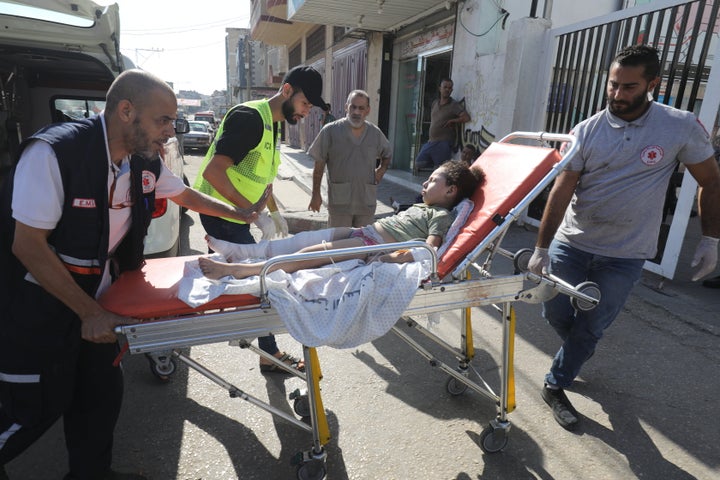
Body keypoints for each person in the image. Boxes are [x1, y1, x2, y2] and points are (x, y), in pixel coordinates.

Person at [0, 69, 268, 480]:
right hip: (43, 300)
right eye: (163, 121)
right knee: (34, 408)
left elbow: (184, 194)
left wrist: (240, 212)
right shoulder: (54, 154)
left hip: (103, 296)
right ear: (126, 111)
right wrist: (89, 312)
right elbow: (28, 246)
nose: (171, 132)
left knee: (99, 397)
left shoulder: (143, 162)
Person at [528, 45, 720, 430]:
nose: (617, 95)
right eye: (613, 85)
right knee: (556, 312)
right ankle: (579, 348)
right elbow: (562, 190)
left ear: (653, 84)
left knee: (592, 323)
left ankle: (556, 382)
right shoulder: (587, 131)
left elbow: (710, 180)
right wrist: (542, 248)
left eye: (628, 87)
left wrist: (710, 238)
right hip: (573, 243)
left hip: (626, 254)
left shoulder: (679, 126)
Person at [193, 65, 327, 374]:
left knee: (256, 277)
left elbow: (263, 179)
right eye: (306, 104)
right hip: (221, 211)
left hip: (237, 212)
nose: (307, 112)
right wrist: (253, 215)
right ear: (288, 90)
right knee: (258, 278)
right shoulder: (250, 118)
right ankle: (268, 352)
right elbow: (214, 172)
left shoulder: (272, 124)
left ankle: (266, 350)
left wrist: (275, 213)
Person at [199, 161, 484, 280]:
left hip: (369, 244)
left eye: (433, 180)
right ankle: (242, 253)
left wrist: (393, 260)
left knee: (304, 256)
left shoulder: (441, 215)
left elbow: (429, 251)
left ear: (450, 190)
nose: (425, 182)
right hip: (364, 232)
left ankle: (238, 270)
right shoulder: (423, 206)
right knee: (299, 241)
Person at [308, 90, 392, 228]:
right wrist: (315, 194)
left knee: (363, 244)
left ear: (368, 110)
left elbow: (387, 154)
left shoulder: (375, 133)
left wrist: (381, 170)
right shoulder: (330, 131)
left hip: (366, 203)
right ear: (346, 107)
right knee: (338, 245)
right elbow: (319, 166)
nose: (356, 112)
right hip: (340, 203)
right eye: (353, 107)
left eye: (361, 108)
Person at [415, 78, 470, 170]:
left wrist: (452, 121)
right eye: (445, 87)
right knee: (419, 163)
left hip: (443, 143)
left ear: (452, 90)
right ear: (440, 88)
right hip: (431, 141)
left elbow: (466, 118)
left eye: (450, 88)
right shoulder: (435, 103)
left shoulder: (454, 105)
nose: (447, 90)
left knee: (440, 170)